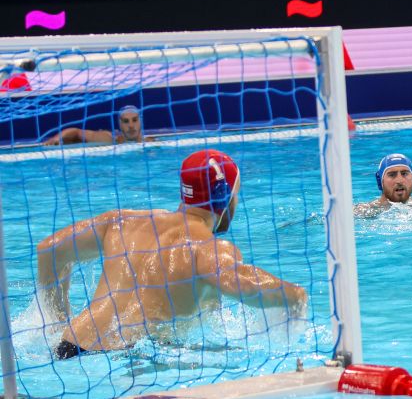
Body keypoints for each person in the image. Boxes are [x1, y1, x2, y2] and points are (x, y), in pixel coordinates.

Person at [36, 149, 308, 357]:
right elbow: (242, 283)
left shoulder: (122, 222)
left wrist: (58, 321)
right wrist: (295, 294)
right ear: (224, 195)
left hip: (68, 346)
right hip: (121, 359)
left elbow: (49, 250)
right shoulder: (208, 249)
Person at [354, 153, 412, 217]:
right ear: (380, 181)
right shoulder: (363, 212)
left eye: (404, 174)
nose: (399, 181)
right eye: (392, 175)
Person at [43, 105, 146, 146]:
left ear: (140, 121)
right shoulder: (108, 139)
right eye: (126, 121)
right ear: (120, 124)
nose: (131, 125)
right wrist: (56, 138)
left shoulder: (152, 143)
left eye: (135, 120)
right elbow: (77, 132)